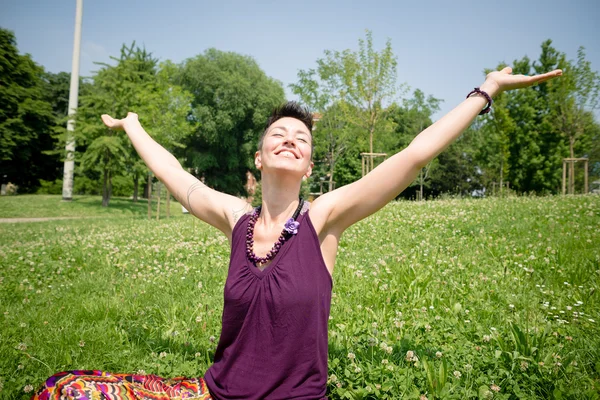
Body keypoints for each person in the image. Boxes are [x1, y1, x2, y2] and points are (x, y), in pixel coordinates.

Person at [33, 67, 561, 400]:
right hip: (217, 394)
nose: (290, 140)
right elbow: (176, 178)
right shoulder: (235, 219)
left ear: (309, 164)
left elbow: (415, 153)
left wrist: (485, 90)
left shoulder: (324, 219)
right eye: (278, 135)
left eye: (301, 138)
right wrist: (133, 127)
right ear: (258, 158)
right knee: (67, 391)